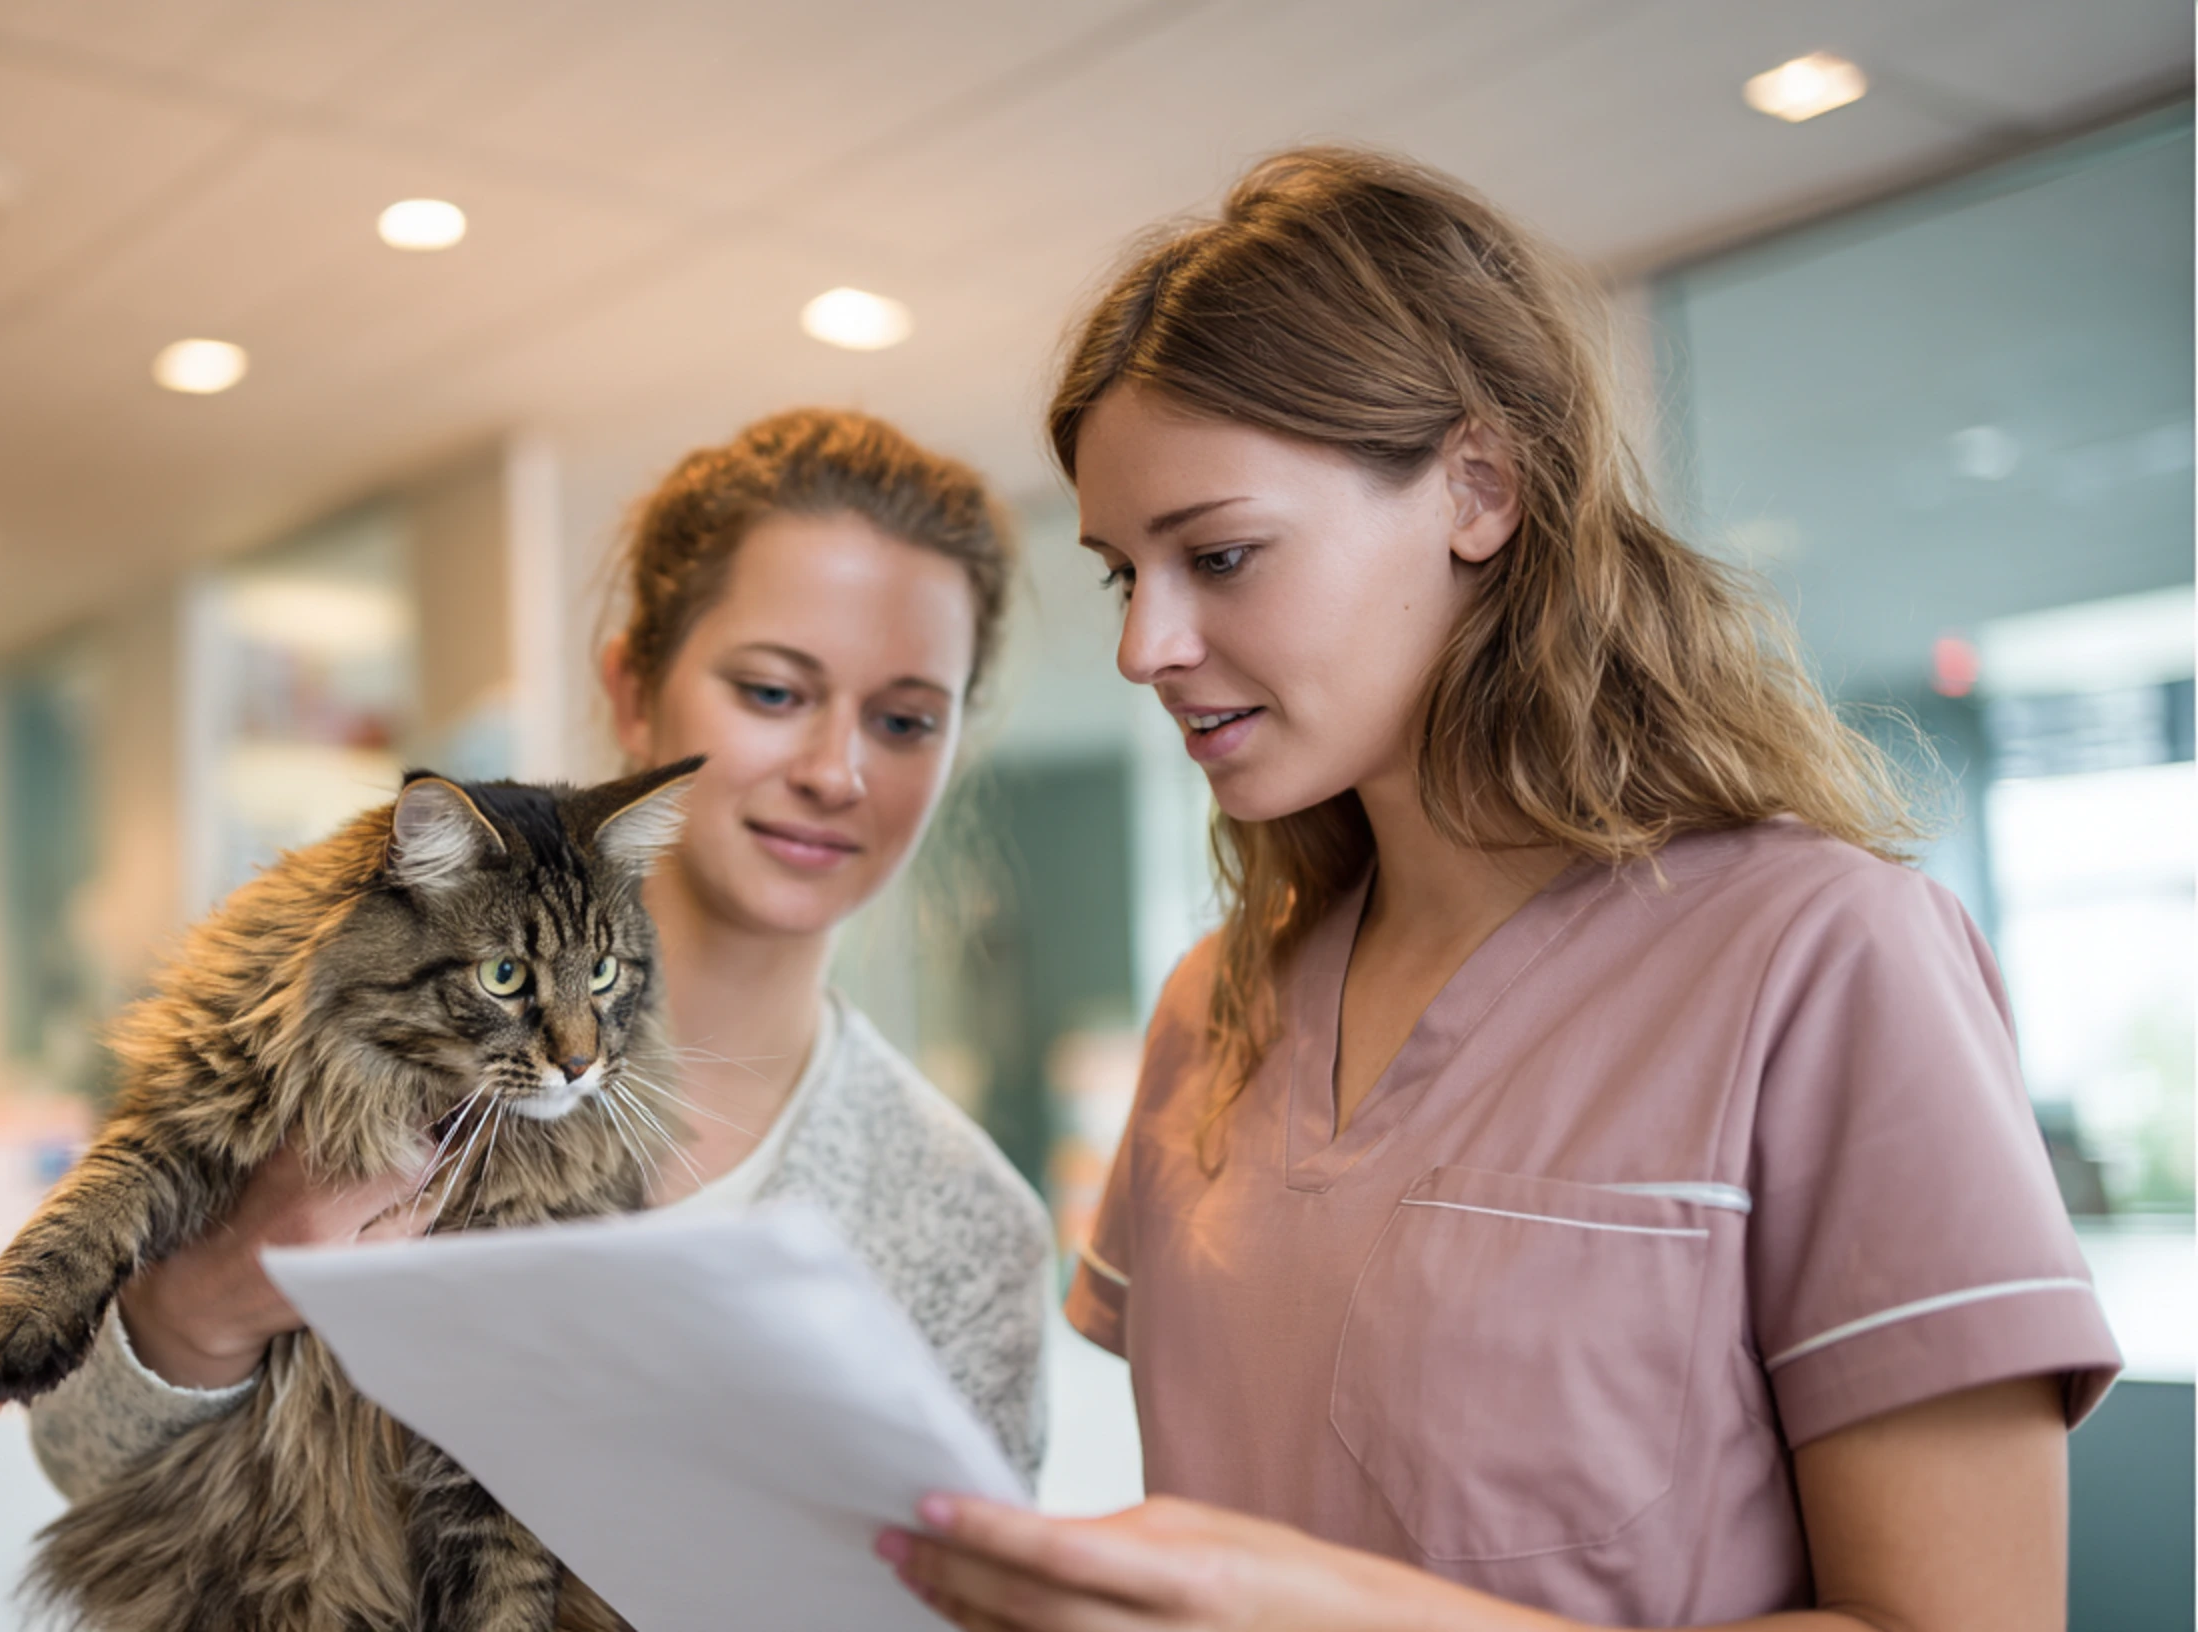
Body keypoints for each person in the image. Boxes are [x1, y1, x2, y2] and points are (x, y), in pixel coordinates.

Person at [883, 148, 2120, 1631]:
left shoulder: (1823, 959)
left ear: (1478, 488)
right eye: (1120, 574)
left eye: (1220, 555)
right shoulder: (1215, 1013)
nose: (1148, 645)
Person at [28, 408, 1053, 1497]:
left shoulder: (964, 1223)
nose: (836, 770)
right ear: (631, 693)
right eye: (771, 692)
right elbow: (78, 1461)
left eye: (904, 721)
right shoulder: (356, 1052)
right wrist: (206, 1304)